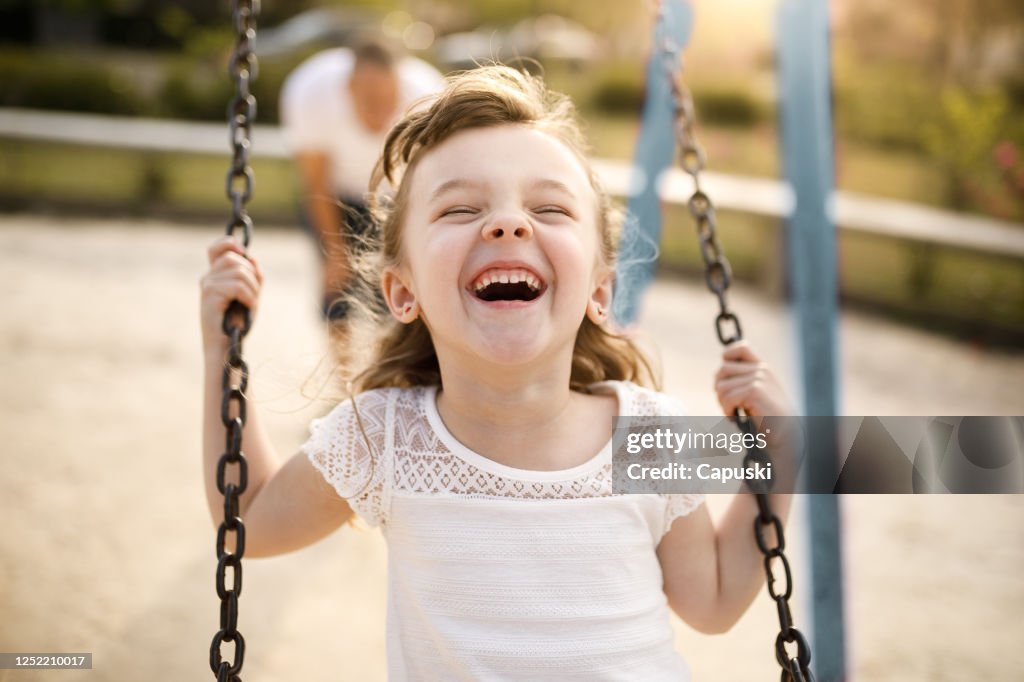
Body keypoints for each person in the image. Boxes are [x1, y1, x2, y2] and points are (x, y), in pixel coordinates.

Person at [201, 66, 794, 680]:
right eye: (460, 208)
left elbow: (716, 601)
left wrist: (782, 452)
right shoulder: (387, 437)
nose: (509, 224)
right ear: (403, 292)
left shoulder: (647, 432)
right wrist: (223, 351)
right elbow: (249, 522)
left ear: (600, 290)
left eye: (549, 207)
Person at [279, 38, 444, 332]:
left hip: (399, 197)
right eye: (369, 100)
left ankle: (393, 367)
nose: (378, 112)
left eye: (386, 100)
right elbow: (316, 182)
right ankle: (342, 375)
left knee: (399, 286)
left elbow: (433, 182)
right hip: (335, 192)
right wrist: (335, 251)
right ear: (348, 89)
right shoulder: (311, 92)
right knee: (337, 286)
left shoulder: (428, 98)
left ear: (399, 86)